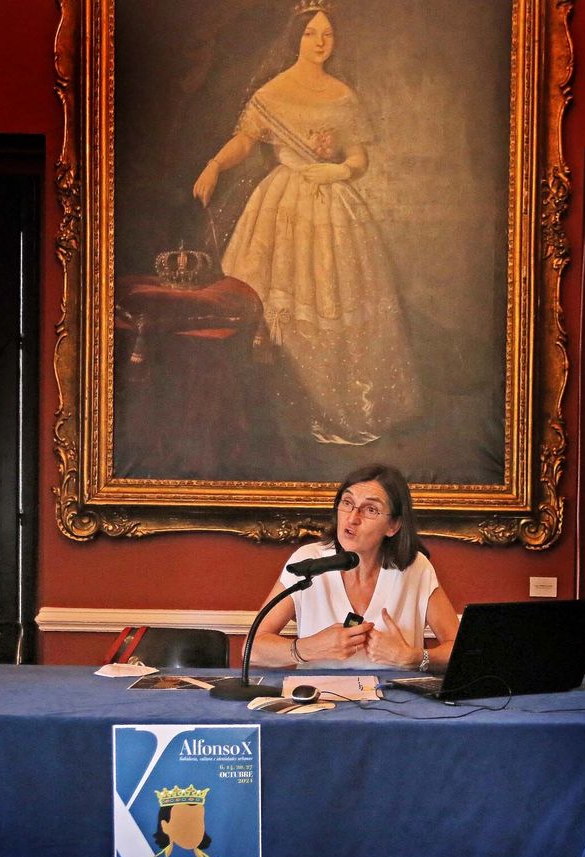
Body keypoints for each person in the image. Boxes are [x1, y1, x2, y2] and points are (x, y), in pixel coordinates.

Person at [192, 3, 419, 446]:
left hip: (334, 206)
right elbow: (245, 141)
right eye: (311, 34)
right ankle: (278, 411)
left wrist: (339, 171)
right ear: (295, 38)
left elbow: (358, 156)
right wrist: (215, 165)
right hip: (281, 205)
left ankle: (334, 407)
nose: (319, 43)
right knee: (271, 304)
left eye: (327, 36)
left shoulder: (343, 95)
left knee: (336, 295)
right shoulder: (273, 92)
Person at [252, 464, 459, 671]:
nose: (352, 518)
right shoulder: (310, 560)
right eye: (348, 502)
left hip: (395, 701)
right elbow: (253, 650)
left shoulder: (415, 568)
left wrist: (413, 657)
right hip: (321, 699)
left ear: (393, 526)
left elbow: (459, 651)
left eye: (370, 509)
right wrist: (310, 648)